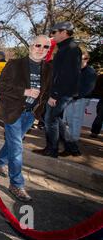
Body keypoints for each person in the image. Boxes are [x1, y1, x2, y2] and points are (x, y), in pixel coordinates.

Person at [0, 35, 52, 202]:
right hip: (12, 111)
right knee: (17, 147)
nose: (41, 49)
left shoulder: (48, 68)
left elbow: (47, 89)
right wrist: (24, 91)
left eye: (45, 47)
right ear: (30, 46)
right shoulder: (15, 64)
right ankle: (16, 184)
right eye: (38, 45)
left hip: (30, 113)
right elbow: (1, 86)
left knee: (14, 142)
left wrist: (46, 100)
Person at [33, 22, 82, 158]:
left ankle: (52, 149)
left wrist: (54, 94)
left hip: (61, 93)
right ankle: (71, 148)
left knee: (50, 119)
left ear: (64, 32)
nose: (52, 35)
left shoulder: (71, 49)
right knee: (56, 119)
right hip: (62, 92)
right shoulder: (66, 49)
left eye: (54, 32)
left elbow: (65, 75)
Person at [58, 48, 97, 156]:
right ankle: (71, 146)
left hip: (80, 99)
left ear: (87, 59)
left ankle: (72, 147)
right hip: (70, 99)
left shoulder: (90, 72)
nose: (81, 61)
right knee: (69, 121)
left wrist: (73, 95)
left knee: (75, 121)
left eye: (84, 59)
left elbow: (87, 89)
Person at [90, 73, 103, 138]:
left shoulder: (100, 76)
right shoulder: (101, 77)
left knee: (99, 116)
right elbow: (96, 88)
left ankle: (94, 132)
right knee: (99, 116)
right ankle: (94, 132)